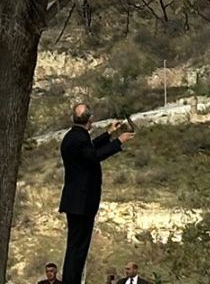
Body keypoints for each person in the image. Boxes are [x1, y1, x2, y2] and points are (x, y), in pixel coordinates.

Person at [58, 103, 134, 284]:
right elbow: (93, 156)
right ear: (89, 121)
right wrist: (119, 141)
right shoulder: (79, 139)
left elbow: (89, 149)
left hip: (74, 200)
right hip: (82, 201)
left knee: (75, 246)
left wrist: (108, 134)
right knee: (78, 248)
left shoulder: (73, 137)